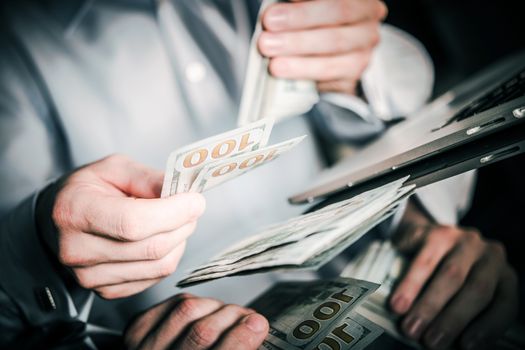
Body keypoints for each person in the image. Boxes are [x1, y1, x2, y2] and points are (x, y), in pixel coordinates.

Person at [0, 0, 517, 349]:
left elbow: (393, 113)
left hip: (396, 293)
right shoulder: (15, 45)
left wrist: (421, 224)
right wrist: (40, 245)